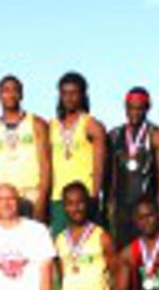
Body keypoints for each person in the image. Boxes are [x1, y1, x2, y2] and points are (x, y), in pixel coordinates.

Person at [0, 75, 51, 220]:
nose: (10, 95)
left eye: (15, 90)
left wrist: (42, 199)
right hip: (5, 198)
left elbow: (46, 165)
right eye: (6, 90)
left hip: (32, 194)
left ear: (21, 94)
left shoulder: (37, 123)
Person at [109, 87, 159, 249]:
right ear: (125, 107)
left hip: (146, 210)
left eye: (139, 108)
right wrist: (111, 208)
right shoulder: (115, 135)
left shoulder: (157, 136)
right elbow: (113, 177)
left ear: (147, 108)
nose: (134, 112)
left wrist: (158, 215)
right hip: (122, 209)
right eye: (130, 108)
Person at [49, 72, 107, 235]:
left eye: (74, 93)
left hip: (85, 196)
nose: (69, 98)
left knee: (87, 244)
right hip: (58, 197)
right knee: (60, 245)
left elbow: (99, 165)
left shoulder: (92, 125)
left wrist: (95, 196)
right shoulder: (52, 125)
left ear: (83, 95)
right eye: (65, 93)